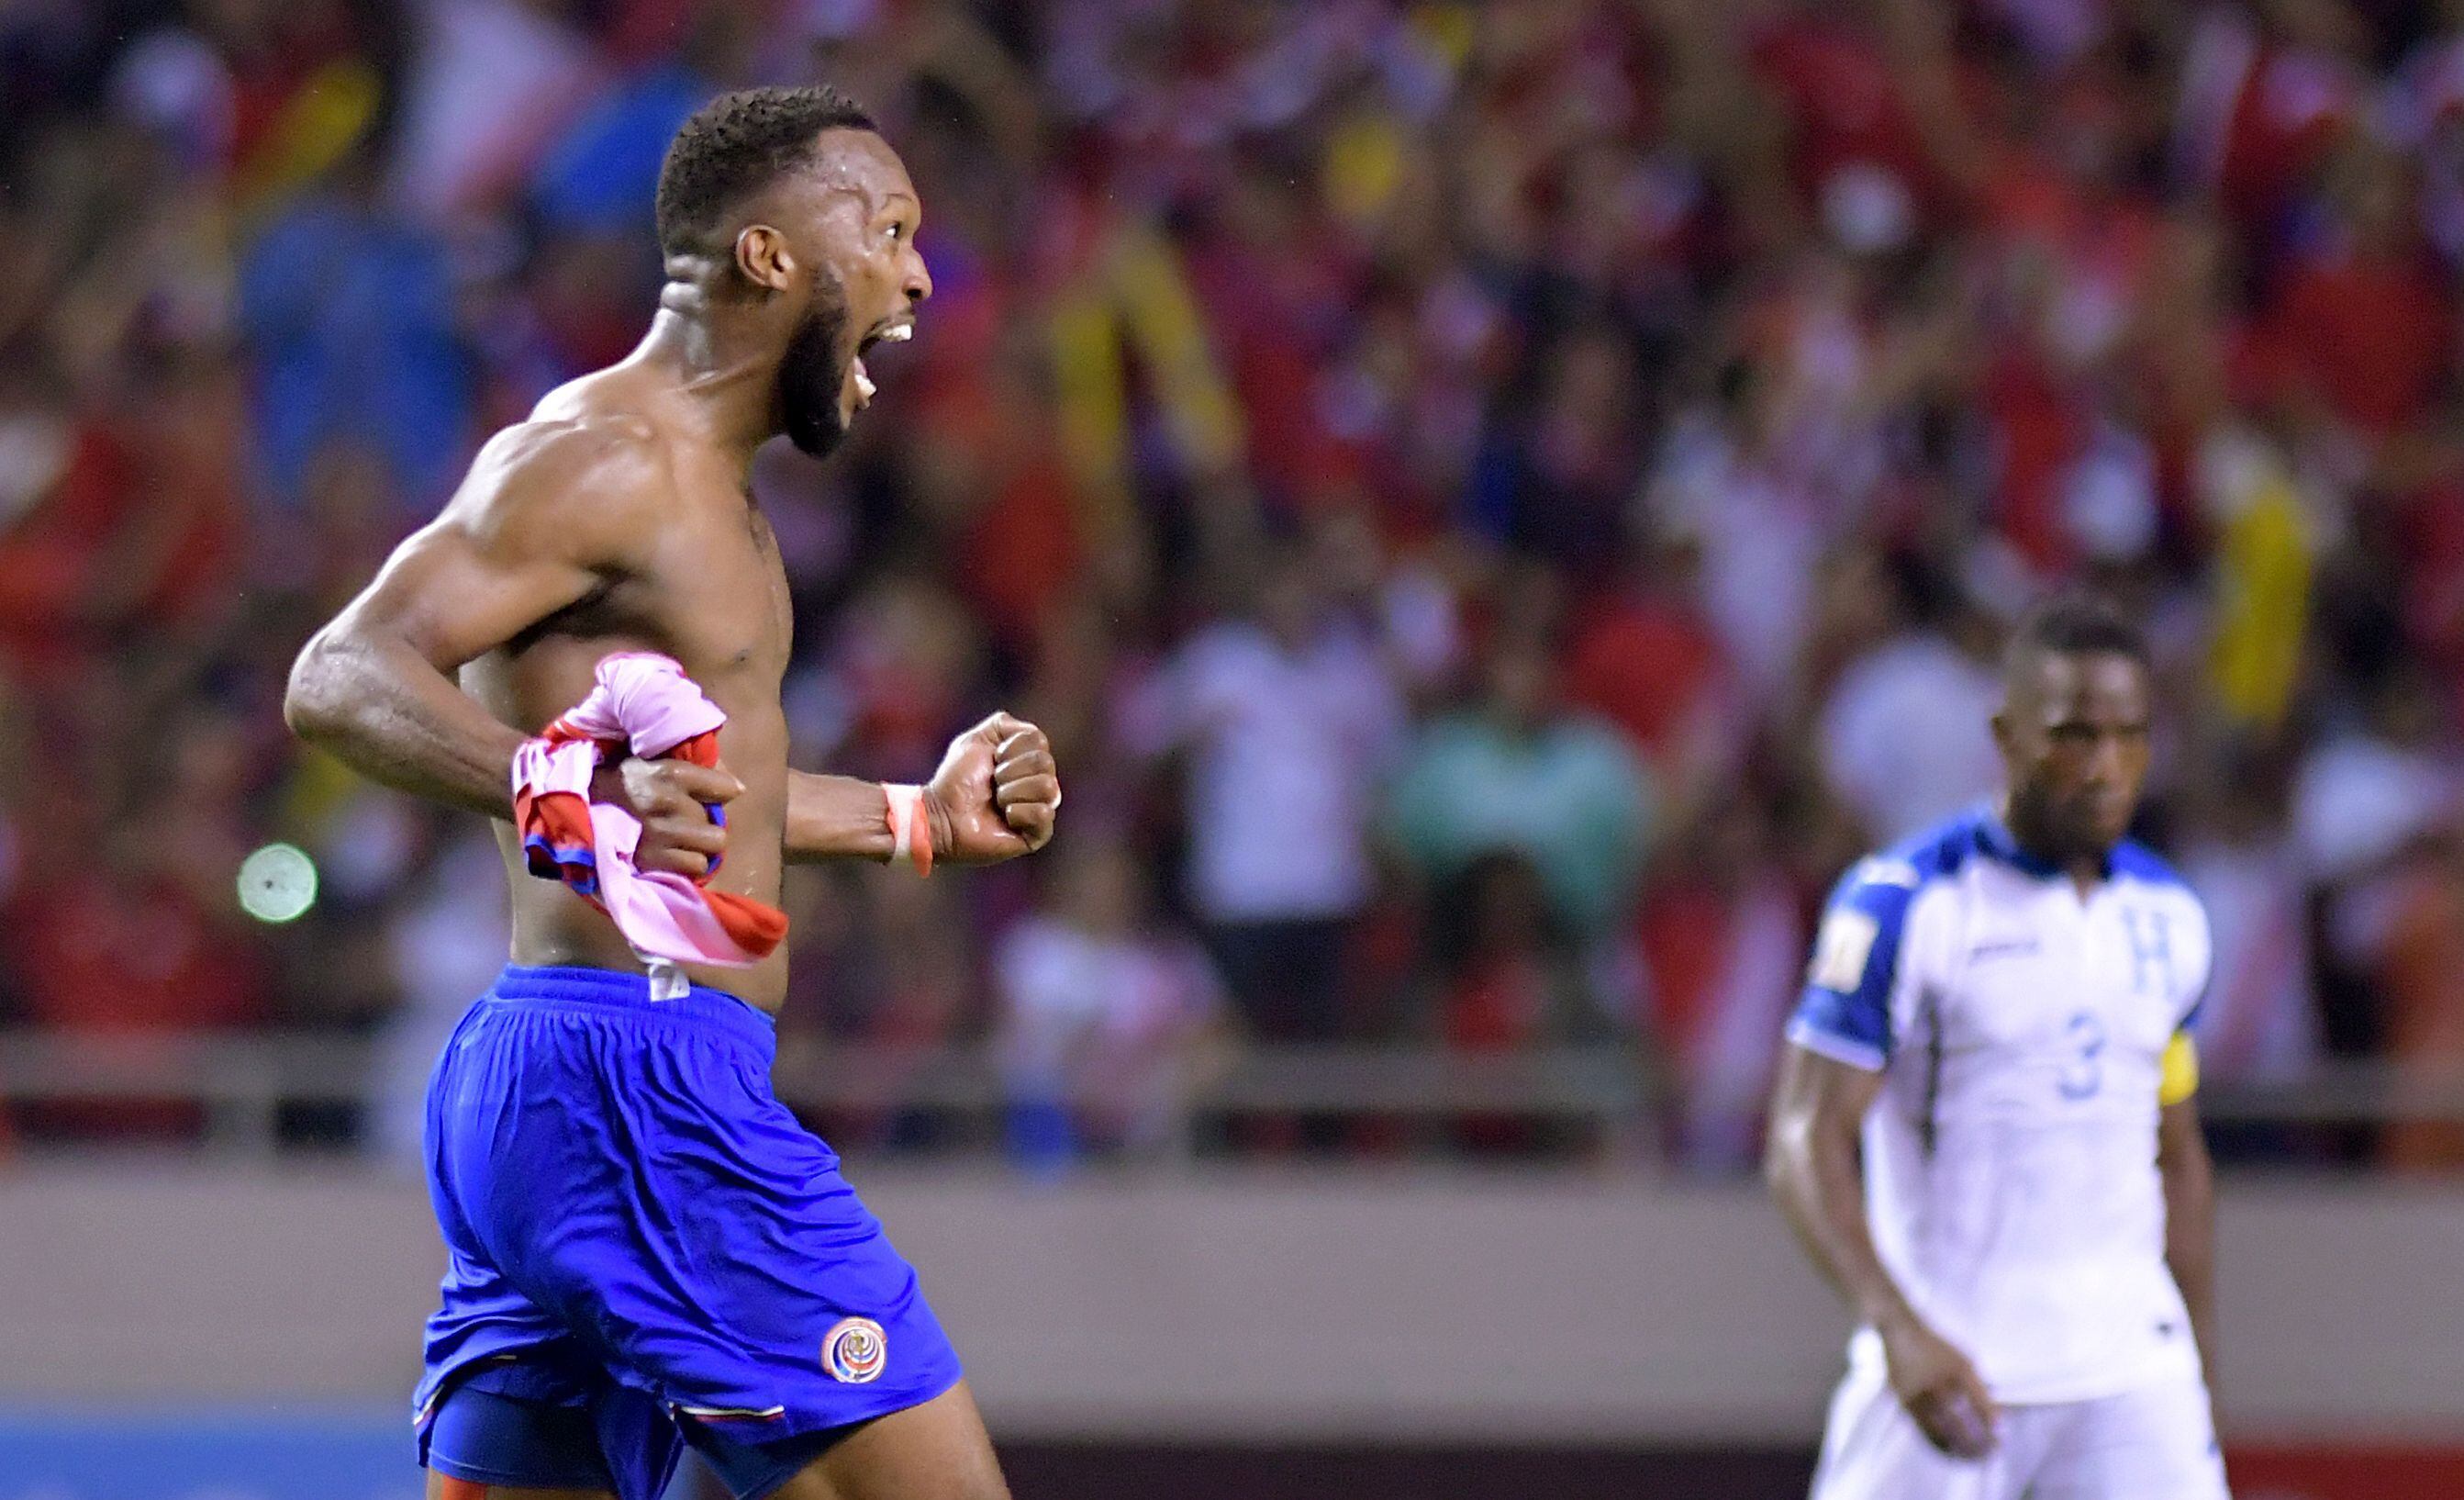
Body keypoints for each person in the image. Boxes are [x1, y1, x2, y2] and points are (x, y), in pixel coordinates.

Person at [284, 85, 1057, 1500]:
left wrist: (915, 819)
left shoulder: (710, 491)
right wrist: (557, 784)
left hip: (563, 1076)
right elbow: (340, 672)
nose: (919, 274)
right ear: (768, 257)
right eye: (885, 230)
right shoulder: (607, 460)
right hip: (641, 1085)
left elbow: (710, 803)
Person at [1764, 595, 2228, 1500]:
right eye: (2073, 735)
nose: (2104, 767)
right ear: (2005, 734)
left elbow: (2175, 1153)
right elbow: (1802, 1136)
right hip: (1955, 1364)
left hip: (2129, 1377)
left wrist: (2196, 1376)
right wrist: (1897, 1326)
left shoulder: (2170, 918)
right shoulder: (1907, 902)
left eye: (2129, 736)